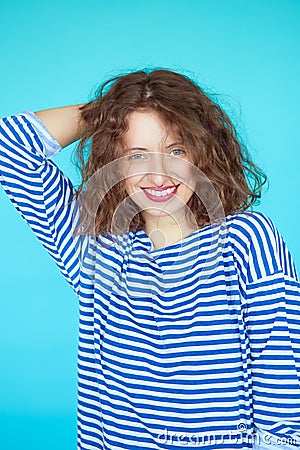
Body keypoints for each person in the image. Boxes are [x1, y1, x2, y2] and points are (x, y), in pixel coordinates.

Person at [0, 69, 299, 450]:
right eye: (137, 154)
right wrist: (111, 111)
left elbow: (283, 381)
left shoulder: (246, 240)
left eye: (175, 151)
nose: (158, 175)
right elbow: (9, 145)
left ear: (202, 152)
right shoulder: (95, 249)